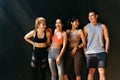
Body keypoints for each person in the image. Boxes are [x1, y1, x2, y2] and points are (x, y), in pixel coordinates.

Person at [83, 9, 110, 80]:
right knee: (91, 72)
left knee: (102, 71)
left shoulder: (102, 26)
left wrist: (106, 50)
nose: (90, 17)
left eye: (92, 15)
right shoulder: (86, 28)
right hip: (90, 53)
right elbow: (84, 41)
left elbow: (107, 39)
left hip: (101, 52)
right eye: (89, 16)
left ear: (96, 16)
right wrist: (85, 51)